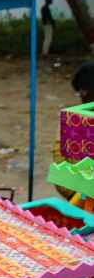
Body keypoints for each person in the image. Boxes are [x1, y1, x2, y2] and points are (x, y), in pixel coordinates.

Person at [54, 62, 94, 202]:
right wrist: (77, 198)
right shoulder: (74, 121)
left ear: (84, 91)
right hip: (84, 201)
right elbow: (60, 167)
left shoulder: (74, 121)